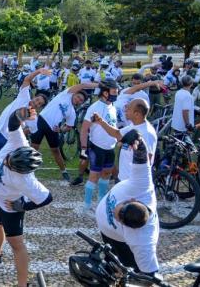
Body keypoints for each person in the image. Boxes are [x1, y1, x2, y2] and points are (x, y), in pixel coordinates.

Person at [0, 144, 52, 287]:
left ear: (21, 171)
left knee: (16, 244)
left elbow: (47, 198)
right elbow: (14, 124)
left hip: (10, 208)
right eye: (8, 159)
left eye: (10, 165)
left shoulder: (26, 180)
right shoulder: (14, 143)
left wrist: (23, 206)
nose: (4, 162)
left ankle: (23, 285)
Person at [95, 129, 160, 275]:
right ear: (131, 200)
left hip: (120, 242)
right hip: (108, 234)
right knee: (111, 263)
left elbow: (151, 276)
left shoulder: (142, 240)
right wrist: (137, 138)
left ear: (129, 228)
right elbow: (142, 157)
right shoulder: (142, 185)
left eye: (116, 216)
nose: (112, 211)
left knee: (127, 272)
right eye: (116, 210)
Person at [0, 68, 49, 191]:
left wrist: (21, 132)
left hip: (11, 139)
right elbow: (27, 79)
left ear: (39, 108)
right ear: (35, 97)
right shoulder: (24, 95)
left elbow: (33, 130)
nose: (36, 103)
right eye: (37, 100)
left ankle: (1, 181)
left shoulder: (33, 117)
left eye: (39, 104)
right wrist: (39, 71)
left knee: (6, 163)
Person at [30, 81, 98, 182]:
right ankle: (29, 171)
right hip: (41, 121)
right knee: (34, 148)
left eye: (81, 100)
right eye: (78, 97)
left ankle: (64, 171)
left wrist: (61, 129)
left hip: (53, 129)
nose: (78, 100)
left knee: (56, 151)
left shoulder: (72, 112)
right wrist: (98, 85)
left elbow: (69, 127)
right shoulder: (65, 95)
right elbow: (82, 85)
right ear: (74, 94)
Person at [78, 79, 119, 215]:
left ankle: (101, 203)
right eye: (114, 92)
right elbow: (84, 129)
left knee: (106, 174)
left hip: (110, 148)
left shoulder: (113, 106)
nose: (116, 95)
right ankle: (86, 206)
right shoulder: (94, 107)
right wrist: (84, 148)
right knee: (93, 177)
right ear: (105, 93)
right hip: (97, 147)